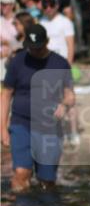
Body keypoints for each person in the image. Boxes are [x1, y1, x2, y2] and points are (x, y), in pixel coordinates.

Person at [0, 24, 74, 192]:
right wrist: (2, 129)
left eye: (38, 48)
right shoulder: (17, 61)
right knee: (21, 173)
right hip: (21, 123)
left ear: (47, 42)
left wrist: (65, 105)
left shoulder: (60, 63)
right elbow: (6, 94)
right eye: (31, 48)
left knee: (47, 182)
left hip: (49, 126)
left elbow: (70, 95)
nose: (34, 51)